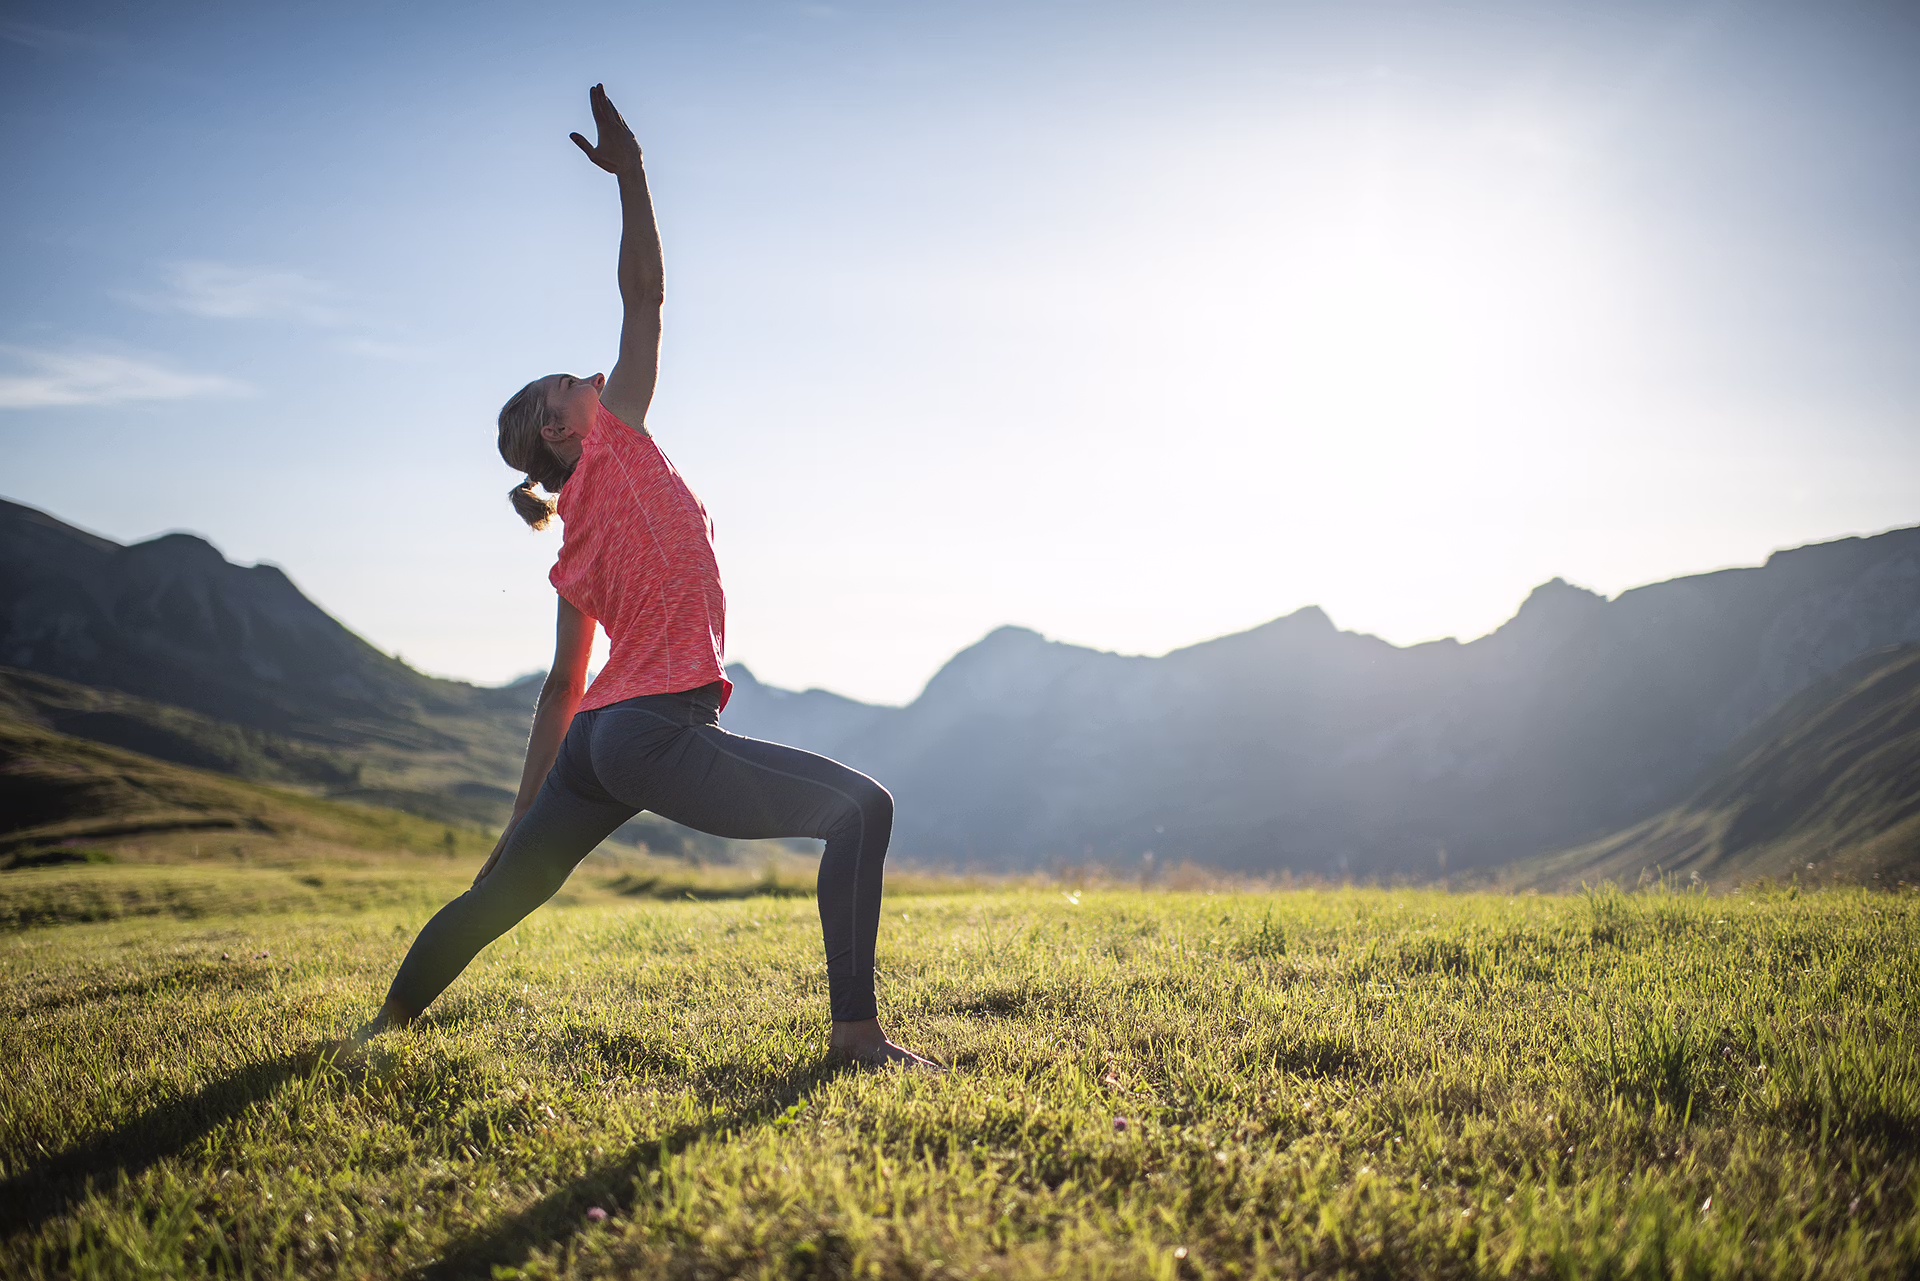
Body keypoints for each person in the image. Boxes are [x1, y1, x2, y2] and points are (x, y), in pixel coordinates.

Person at [360, 84, 937, 1070]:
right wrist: (633, 178)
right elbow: (645, 300)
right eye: (567, 385)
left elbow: (559, 691)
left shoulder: (570, 542)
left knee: (505, 891)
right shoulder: (615, 442)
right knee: (862, 808)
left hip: (599, 741)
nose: (590, 377)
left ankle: (381, 1030)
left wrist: (519, 821)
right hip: (652, 727)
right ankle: (855, 1040)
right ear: (564, 427)